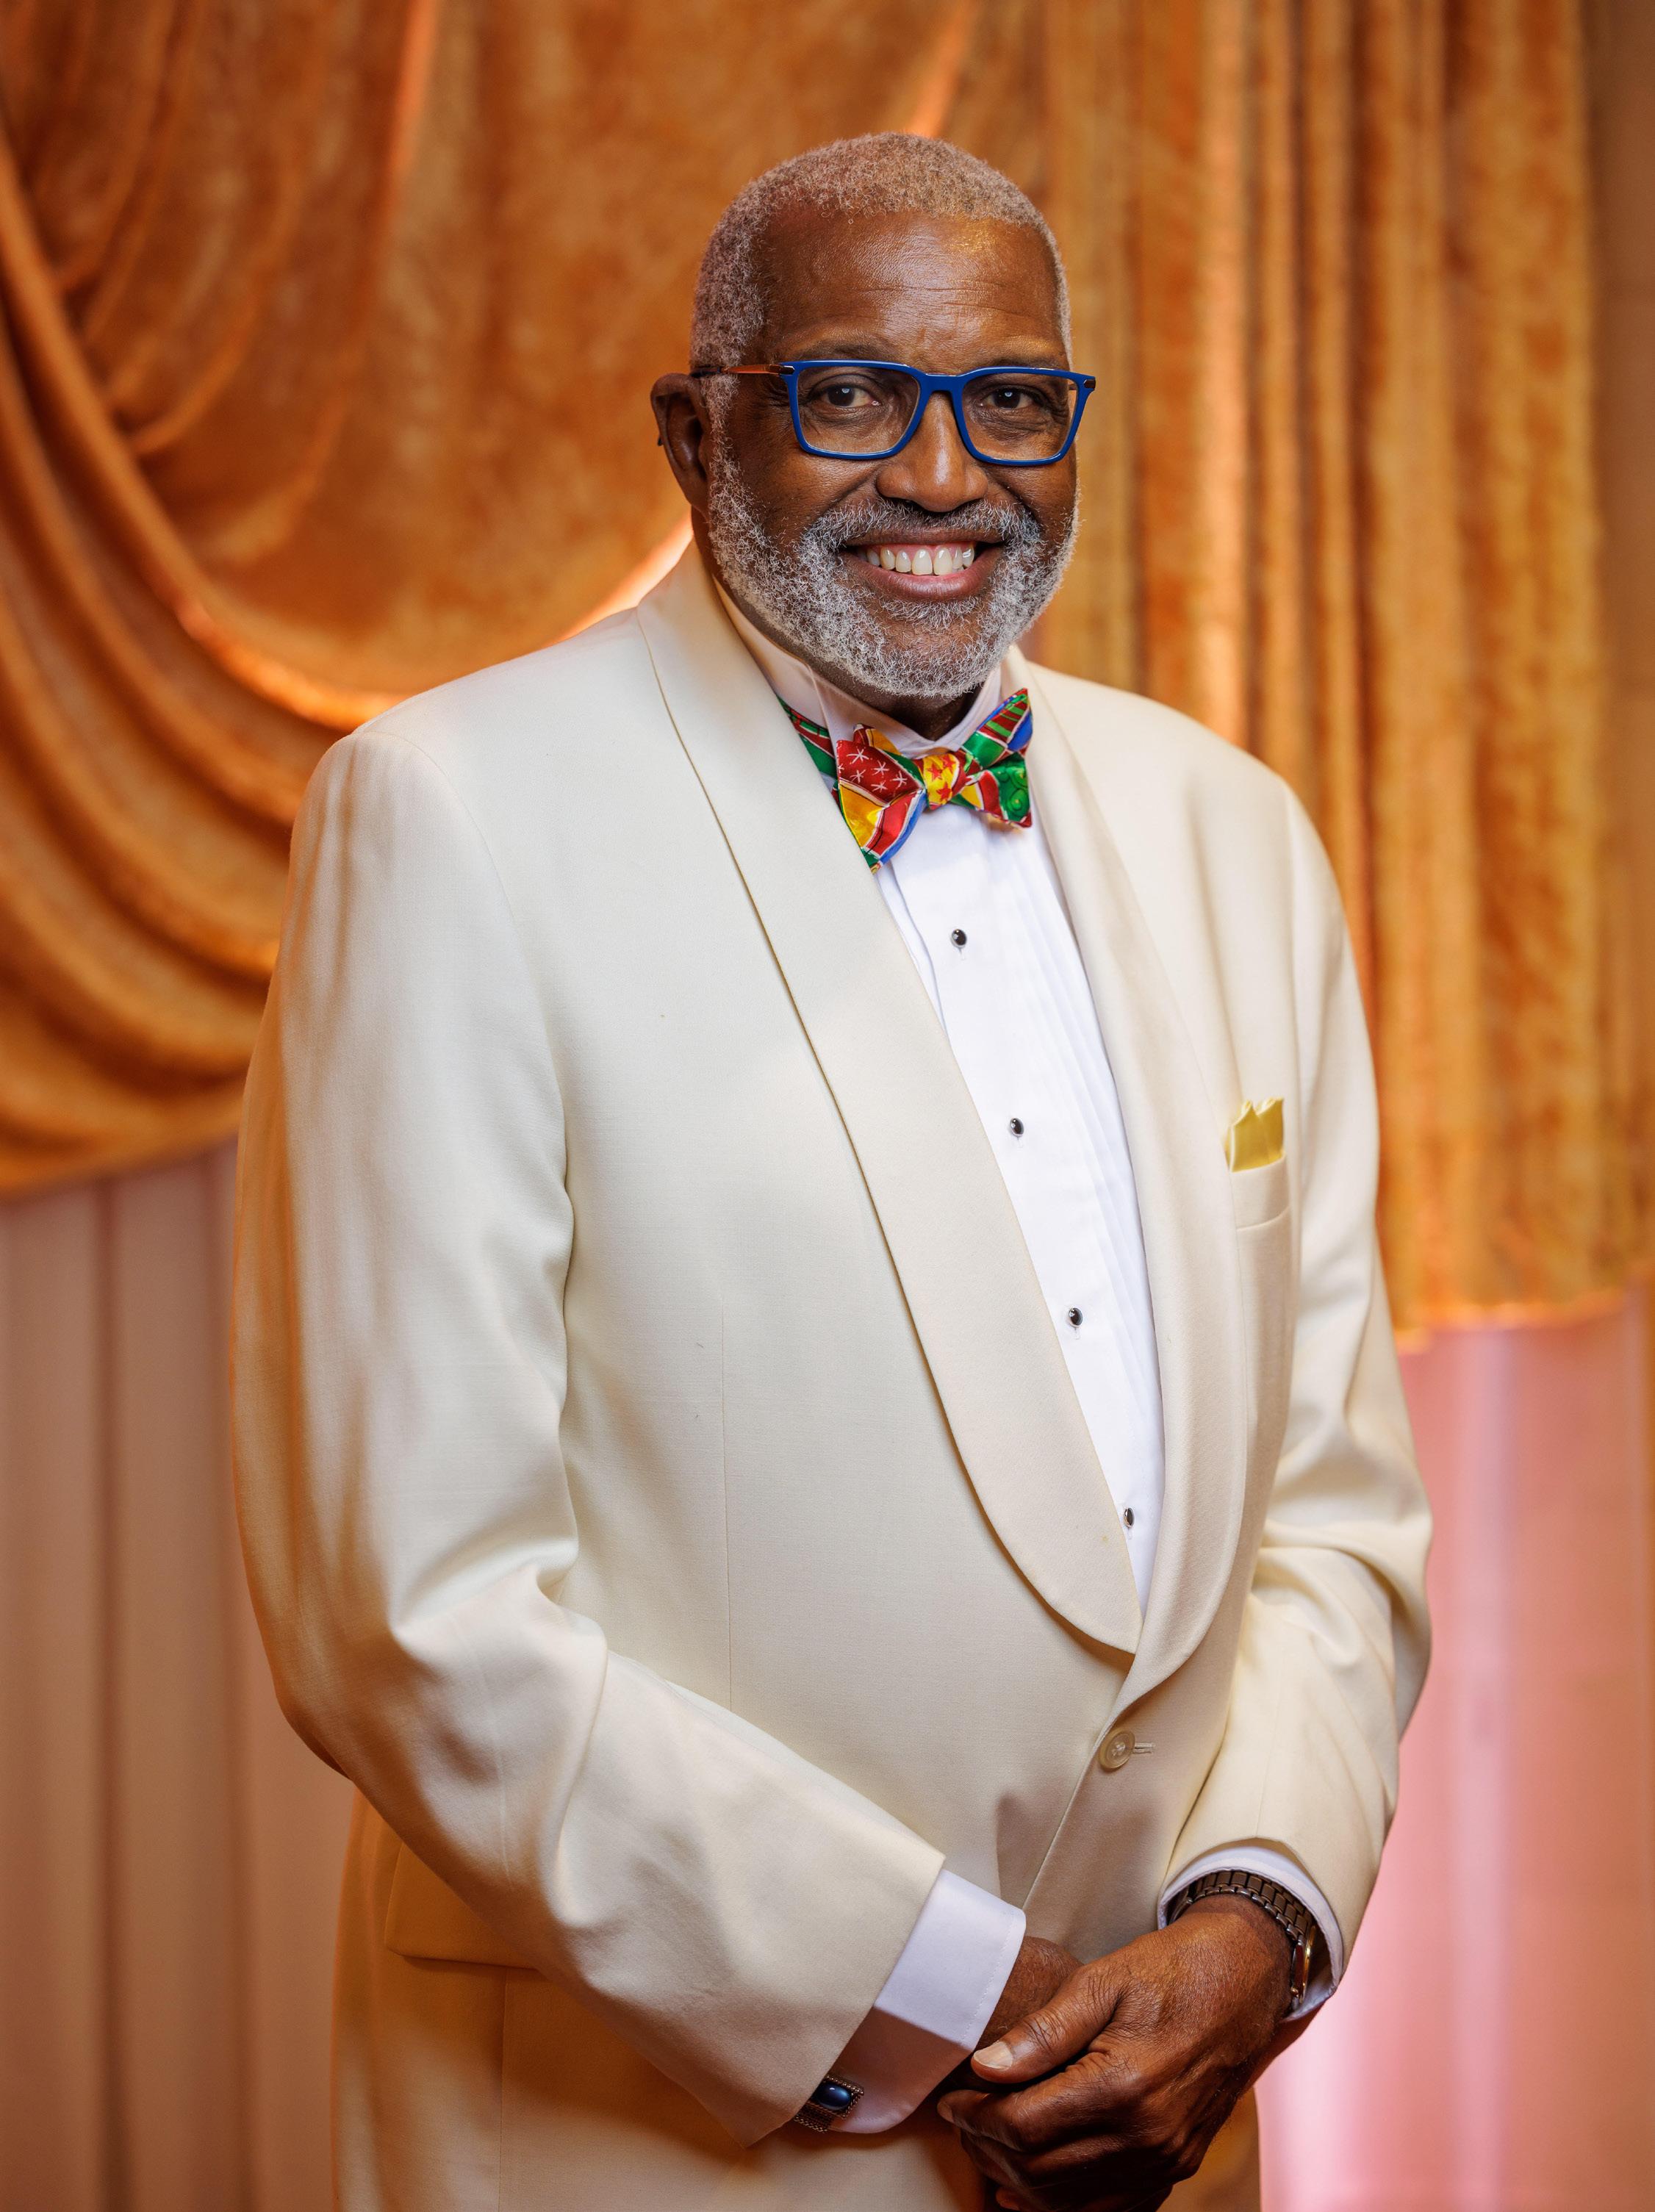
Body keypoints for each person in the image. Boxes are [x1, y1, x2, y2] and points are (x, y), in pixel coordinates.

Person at [233, 134, 1431, 2212]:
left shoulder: (1237, 828)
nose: (946, 478)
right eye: (854, 395)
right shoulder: (448, 819)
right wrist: (942, 1991)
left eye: (1012, 401)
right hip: (648, 2138)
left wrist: (1256, 1928)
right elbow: (409, 1613)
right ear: (697, 432)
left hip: (1168, 2124)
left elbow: (1331, 1507)